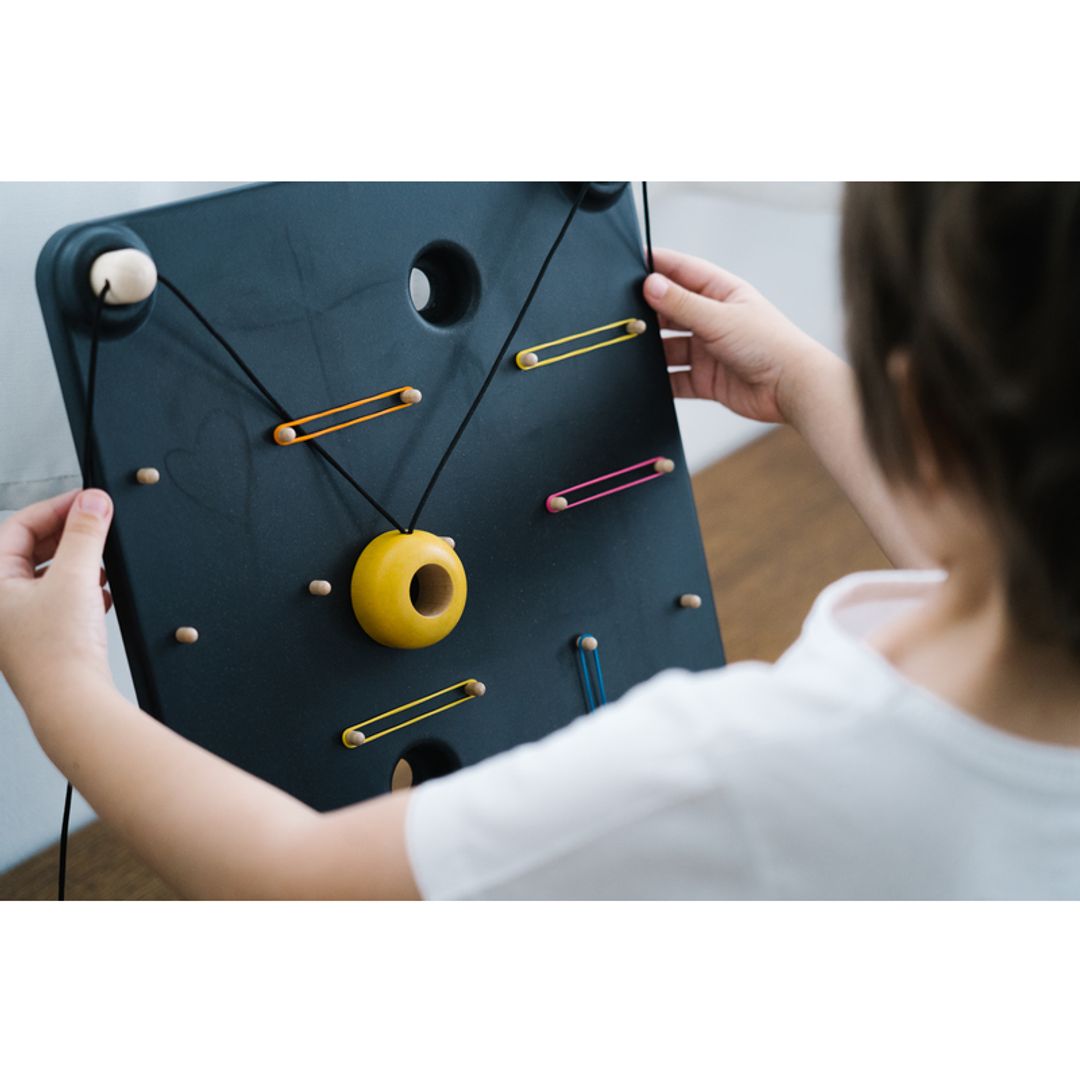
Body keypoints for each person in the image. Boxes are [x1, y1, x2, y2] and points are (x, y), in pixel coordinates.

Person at [4, 182, 1080, 899]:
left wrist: (60, 688)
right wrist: (805, 381)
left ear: (923, 413)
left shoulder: (734, 765)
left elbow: (304, 881)